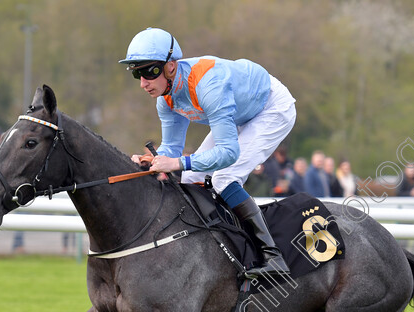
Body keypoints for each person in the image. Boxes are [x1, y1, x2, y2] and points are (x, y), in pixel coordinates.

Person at [121, 27, 296, 277]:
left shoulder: (208, 85)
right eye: (136, 73)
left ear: (171, 66)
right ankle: (209, 249)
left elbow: (227, 154)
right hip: (238, 112)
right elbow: (172, 150)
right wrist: (155, 159)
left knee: (224, 178)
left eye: (149, 71)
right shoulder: (166, 98)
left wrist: (176, 163)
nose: (143, 83)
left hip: (271, 107)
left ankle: (273, 256)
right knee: (192, 178)